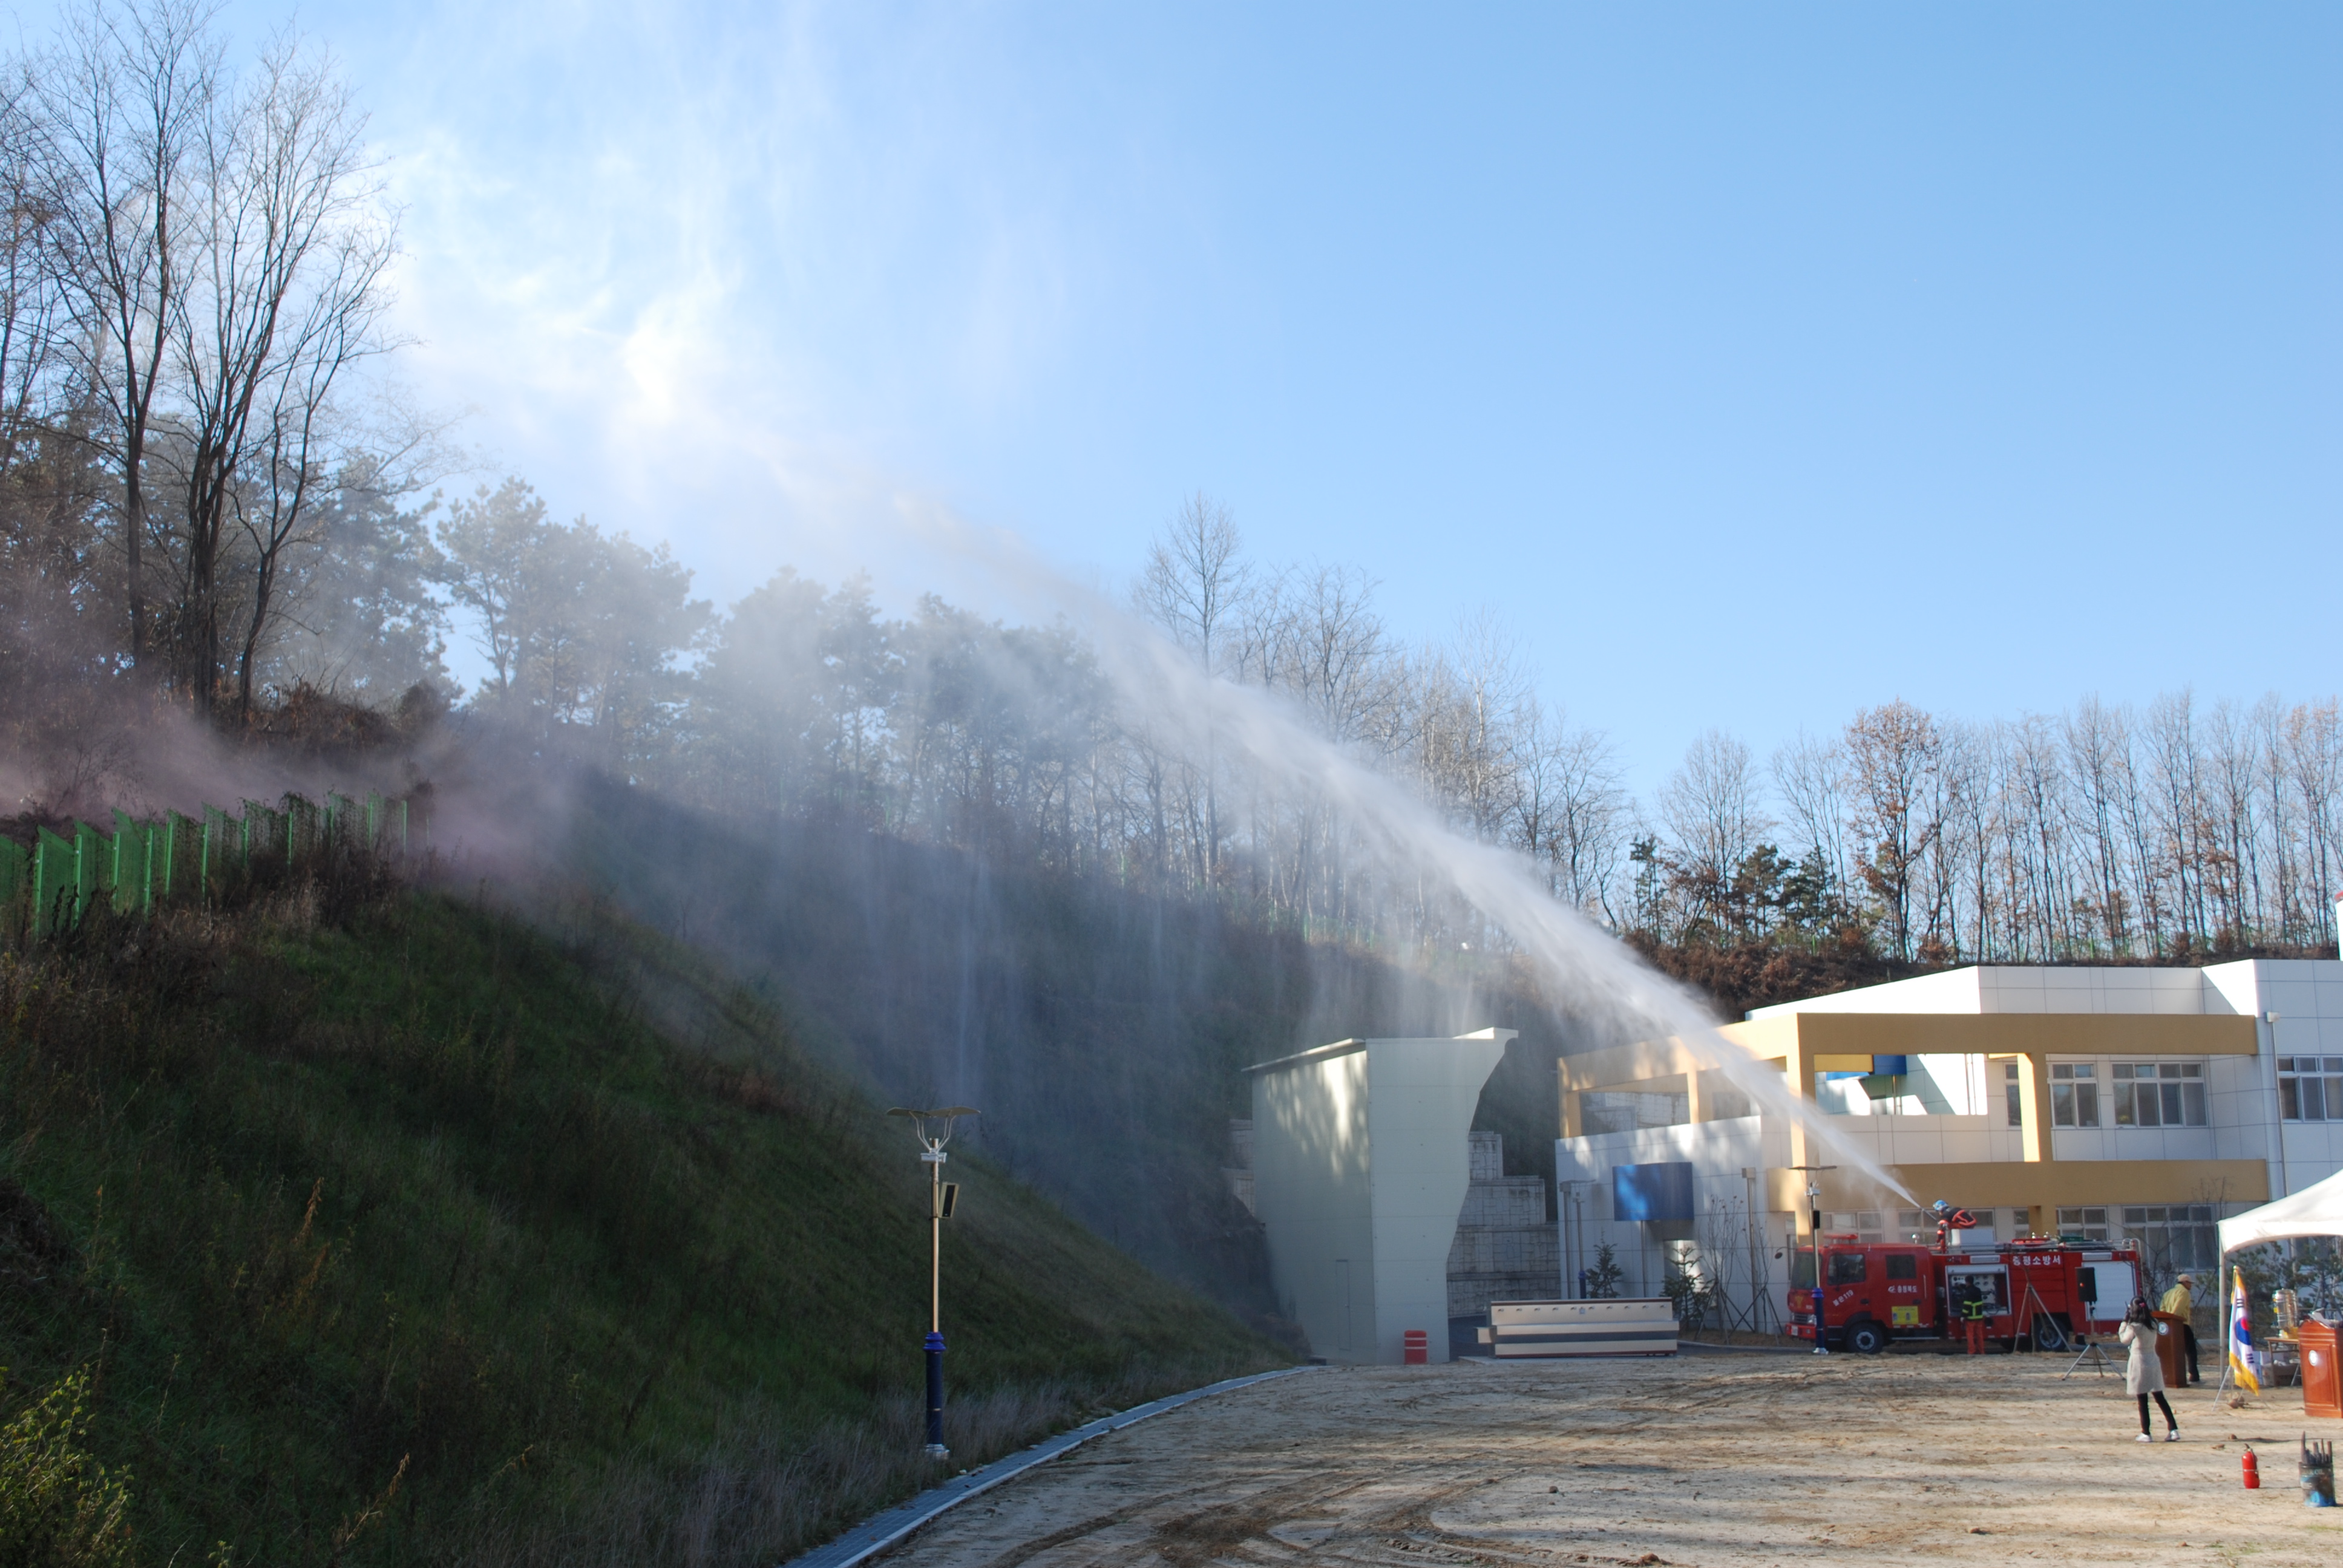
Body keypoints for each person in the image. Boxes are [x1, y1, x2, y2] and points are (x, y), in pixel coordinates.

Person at [2118, 1298, 2179, 1443]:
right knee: (2159, 1396)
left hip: (2139, 1361)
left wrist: (2124, 1322)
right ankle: (2173, 1429)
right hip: (2153, 1359)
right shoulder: (2153, 1323)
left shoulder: (2134, 1326)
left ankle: (2146, 1432)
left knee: (2142, 1399)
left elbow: (2124, 1340)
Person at [2158, 1272, 2200, 1384]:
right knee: (2191, 1350)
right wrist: (2173, 1320)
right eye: (2190, 1283)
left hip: (2167, 1326)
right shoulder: (2184, 1292)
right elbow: (2178, 1309)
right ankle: (2193, 1374)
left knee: (2172, 1350)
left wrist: (2167, 1322)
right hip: (2181, 1324)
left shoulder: (2167, 1293)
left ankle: (2169, 1374)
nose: (2191, 1286)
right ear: (2185, 1283)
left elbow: (2162, 1310)